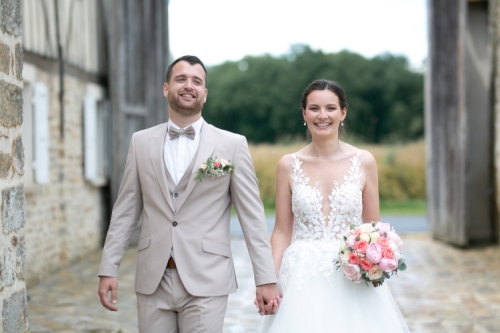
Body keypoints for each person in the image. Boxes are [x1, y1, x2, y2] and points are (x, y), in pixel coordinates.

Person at [97, 55, 281, 333]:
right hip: (152, 278)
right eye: (180, 79)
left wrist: (265, 278)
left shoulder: (232, 145)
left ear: (205, 94)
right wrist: (108, 267)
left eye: (197, 81)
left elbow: (253, 219)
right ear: (166, 88)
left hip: (207, 277)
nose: (188, 85)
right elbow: (125, 211)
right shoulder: (141, 142)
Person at [258, 79, 409, 332]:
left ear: (343, 112)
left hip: (351, 277)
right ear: (304, 113)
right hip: (300, 278)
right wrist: (267, 281)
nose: (322, 115)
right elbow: (282, 232)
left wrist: (374, 261)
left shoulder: (364, 162)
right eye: (314, 108)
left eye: (330, 108)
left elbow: (373, 229)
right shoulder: (288, 164)